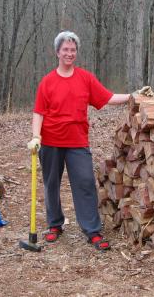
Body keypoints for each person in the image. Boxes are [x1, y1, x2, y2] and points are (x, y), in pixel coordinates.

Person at [27, 31, 130, 251]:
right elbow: (38, 112)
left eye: (73, 50)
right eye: (65, 49)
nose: (69, 53)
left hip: (77, 142)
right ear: (57, 52)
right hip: (51, 141)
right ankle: (55, 224)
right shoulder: (47, 82)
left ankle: (92, 230)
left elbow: (108, 97)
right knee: (51, 183)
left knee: (84, 183)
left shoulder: (85, 78)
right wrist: (36, 136)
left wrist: (132, 96)